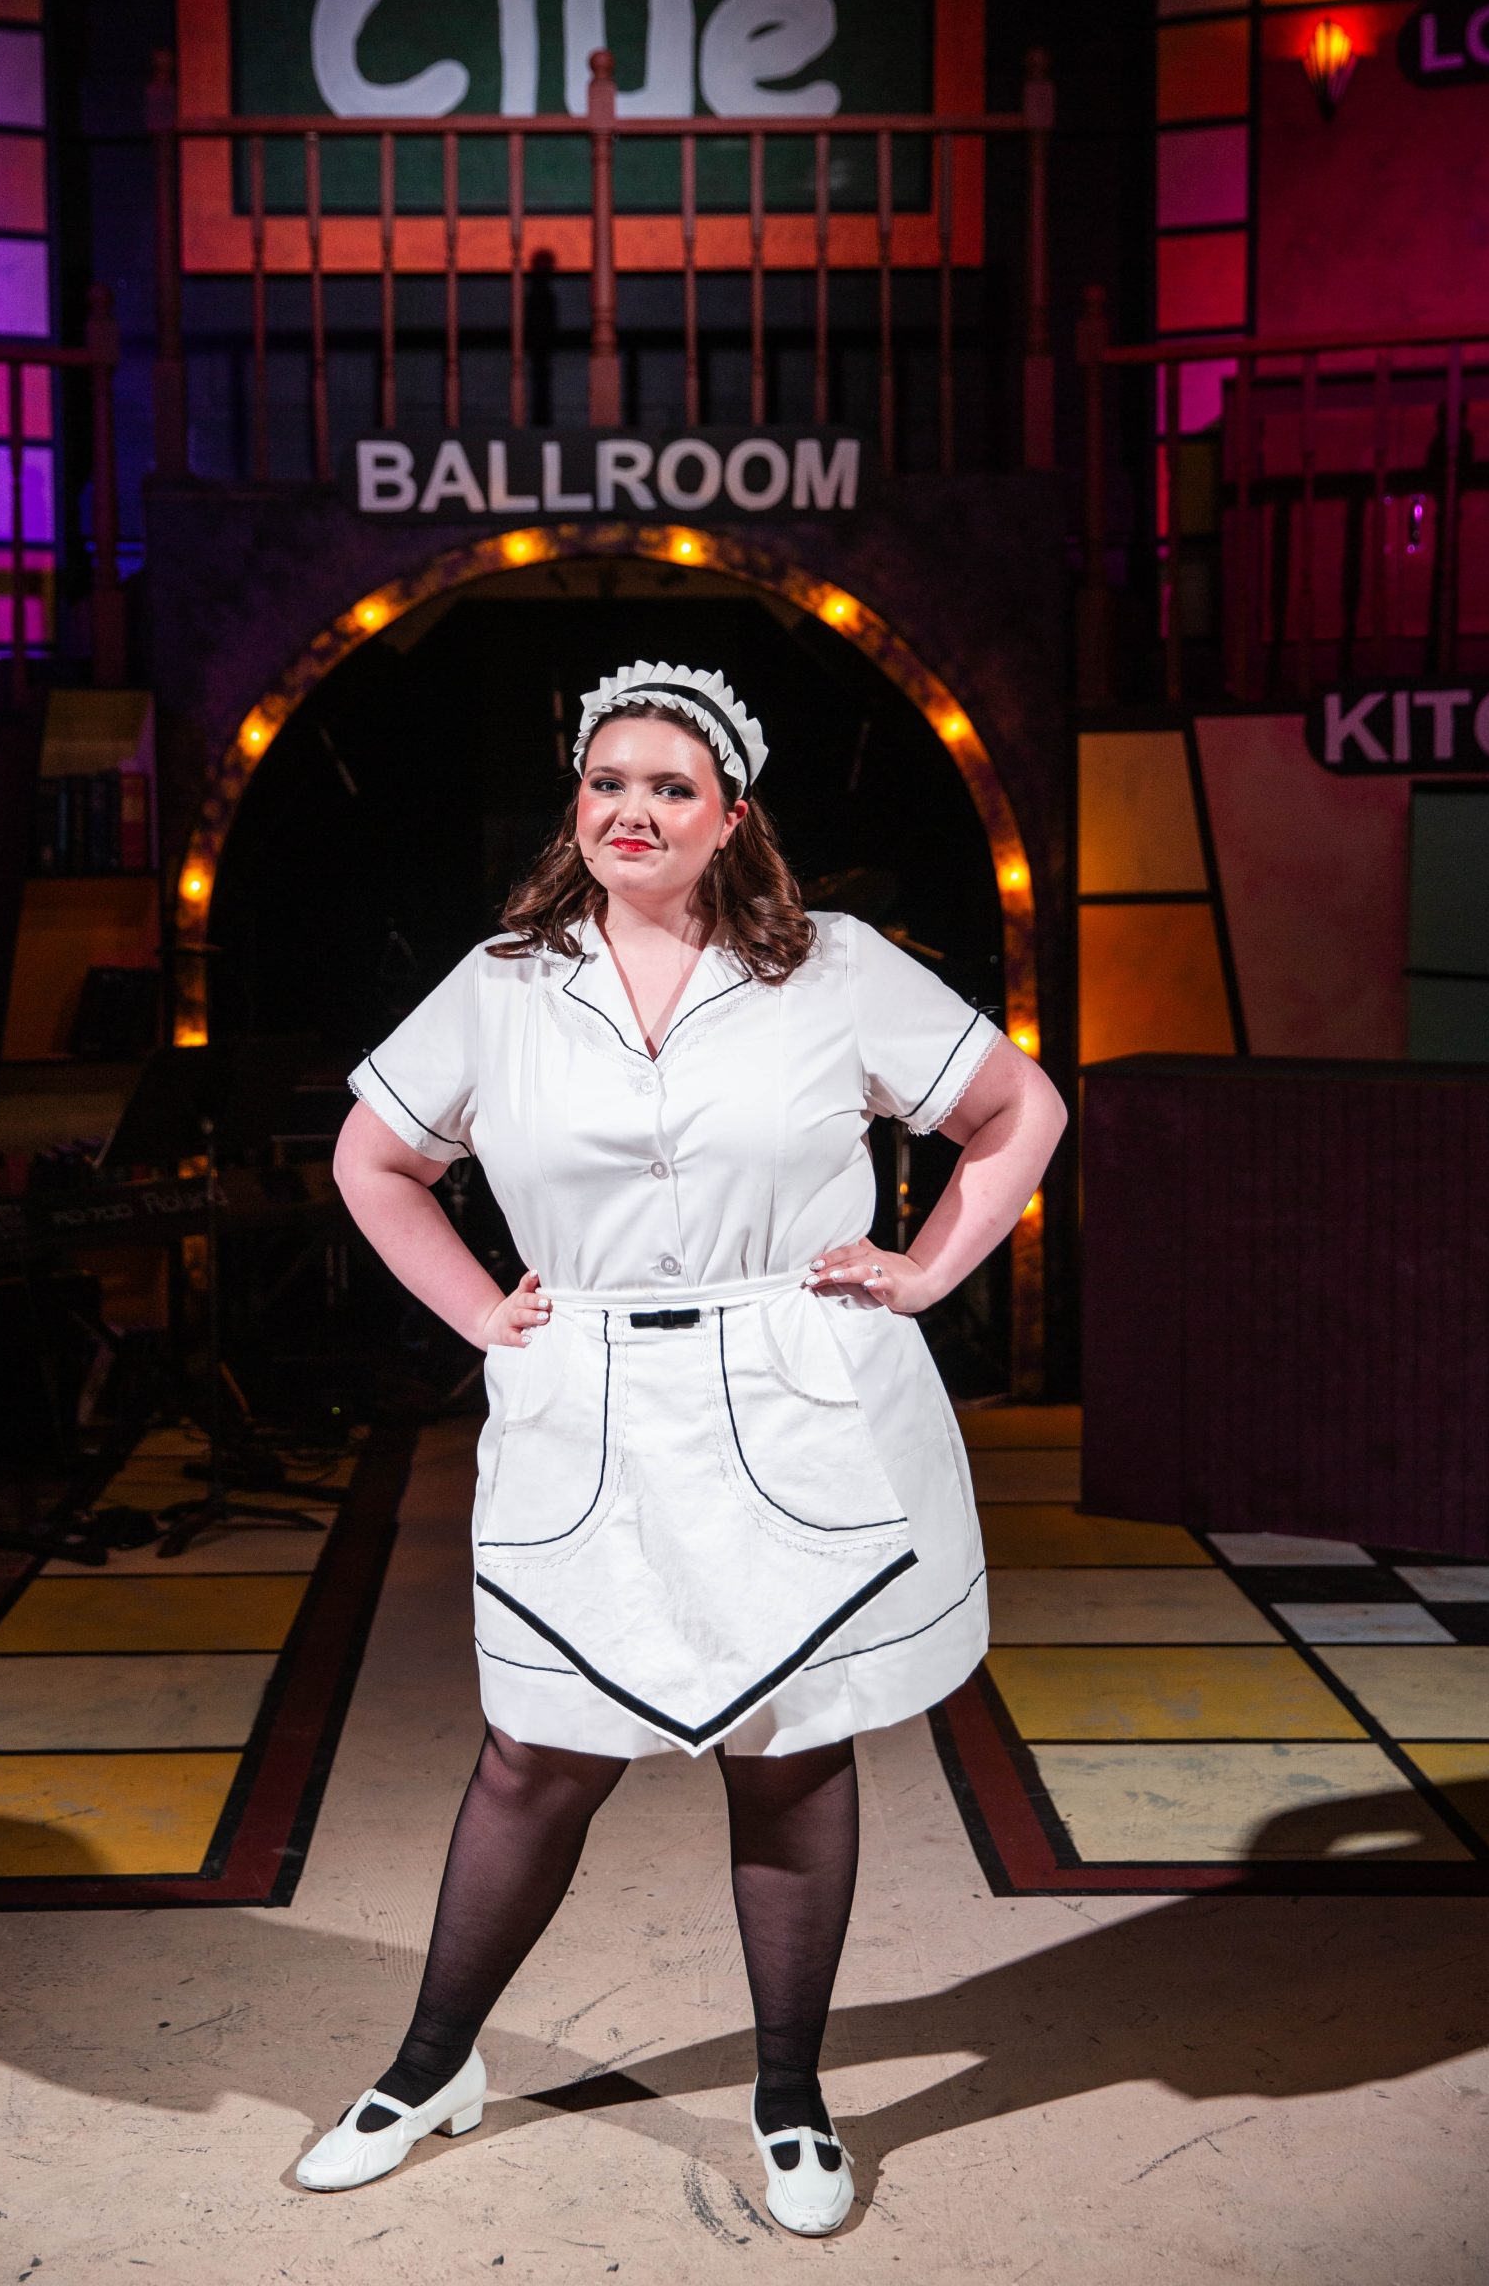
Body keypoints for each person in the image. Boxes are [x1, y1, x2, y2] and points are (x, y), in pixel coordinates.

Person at [299, 659, 1067, 2235]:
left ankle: (790, 2101)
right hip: (587, 1404)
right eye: (608, 783)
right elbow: (374, 1160)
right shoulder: (504, 982)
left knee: (790, 1752)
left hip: (790, 1391)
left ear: (731, 818)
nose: (632, 810)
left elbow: (1019, 1111)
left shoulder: (834, 967)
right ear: (575, 805)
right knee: (536, 1753)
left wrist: (927, 1272)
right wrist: (480, 1312)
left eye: (670, 788)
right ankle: (431, 2067)